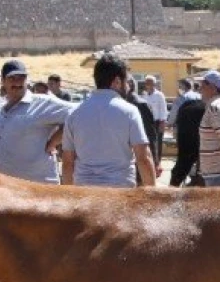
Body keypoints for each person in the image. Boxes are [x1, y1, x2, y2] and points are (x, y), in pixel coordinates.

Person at [61, 52, 155, 188]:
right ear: (117, 81)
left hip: (84, 195)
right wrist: (152, 197)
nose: (128, 86)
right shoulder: (129, 111)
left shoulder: (74, 113)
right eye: (126, 81)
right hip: (119, 194)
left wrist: (69, 198)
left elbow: (68, 162)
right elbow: (143, 158)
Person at [0, 59, 74, 184]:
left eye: (21, 77)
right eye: (12, 78)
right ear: (3, 82)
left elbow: (78, 113)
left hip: (35, 191)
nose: (17, 82)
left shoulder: (42, 103)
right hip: (0, 189)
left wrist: (54, 141)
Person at [137, 75, 168, 167]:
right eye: (147, 83)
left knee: (158, 142)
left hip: (157, 122)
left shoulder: (160, 95)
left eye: (150, 83)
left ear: (154, 84)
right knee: (148, 142)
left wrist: (163, 122)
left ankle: (157, 163)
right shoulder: (143, 95)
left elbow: (163, 109)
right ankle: (151, 161)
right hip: (147, 123)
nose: (148, 85)